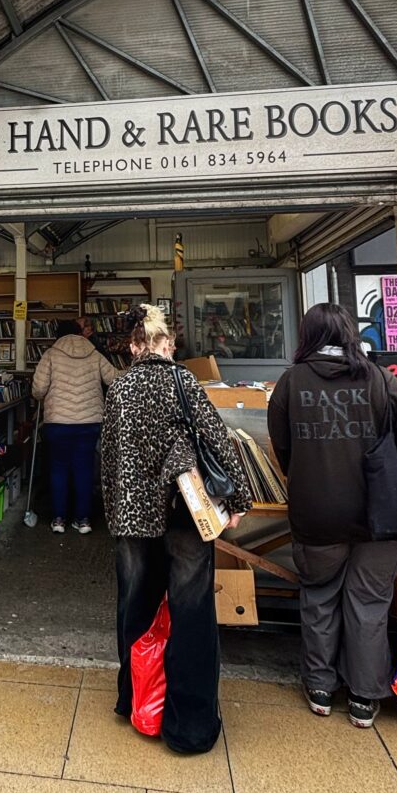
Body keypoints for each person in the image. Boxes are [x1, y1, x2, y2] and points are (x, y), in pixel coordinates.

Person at [268, 302, 397, 728]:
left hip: (317, 512)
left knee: (320, 597)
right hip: (381, 516)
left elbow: (282, 448)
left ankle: (321, 686)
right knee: (369, 604)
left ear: (307, 335)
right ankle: (364, 695)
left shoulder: (291, 383)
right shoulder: (379, 379)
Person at [100, 303, 252, 754]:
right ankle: (189, 724)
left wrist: (113, 510)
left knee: (135, 605)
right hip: (184, 511)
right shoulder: (182, 379)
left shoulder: (121, 387)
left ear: (132, 347)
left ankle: (135, 700)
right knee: (191, 610)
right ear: (165, 344)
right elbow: (216, 437)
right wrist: (238, 499)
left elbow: (107, 455)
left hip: (131, 516)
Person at [31, 319, 118, 536]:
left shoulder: (50, 355)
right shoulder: (95, 354)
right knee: (84, 469)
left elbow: (39, 390)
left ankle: (59, 519)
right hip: (90, 422)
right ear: (80, 334)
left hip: (58, 423)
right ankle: (83, 520)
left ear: (58, 334)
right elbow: (114, 379)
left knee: (59, 468)